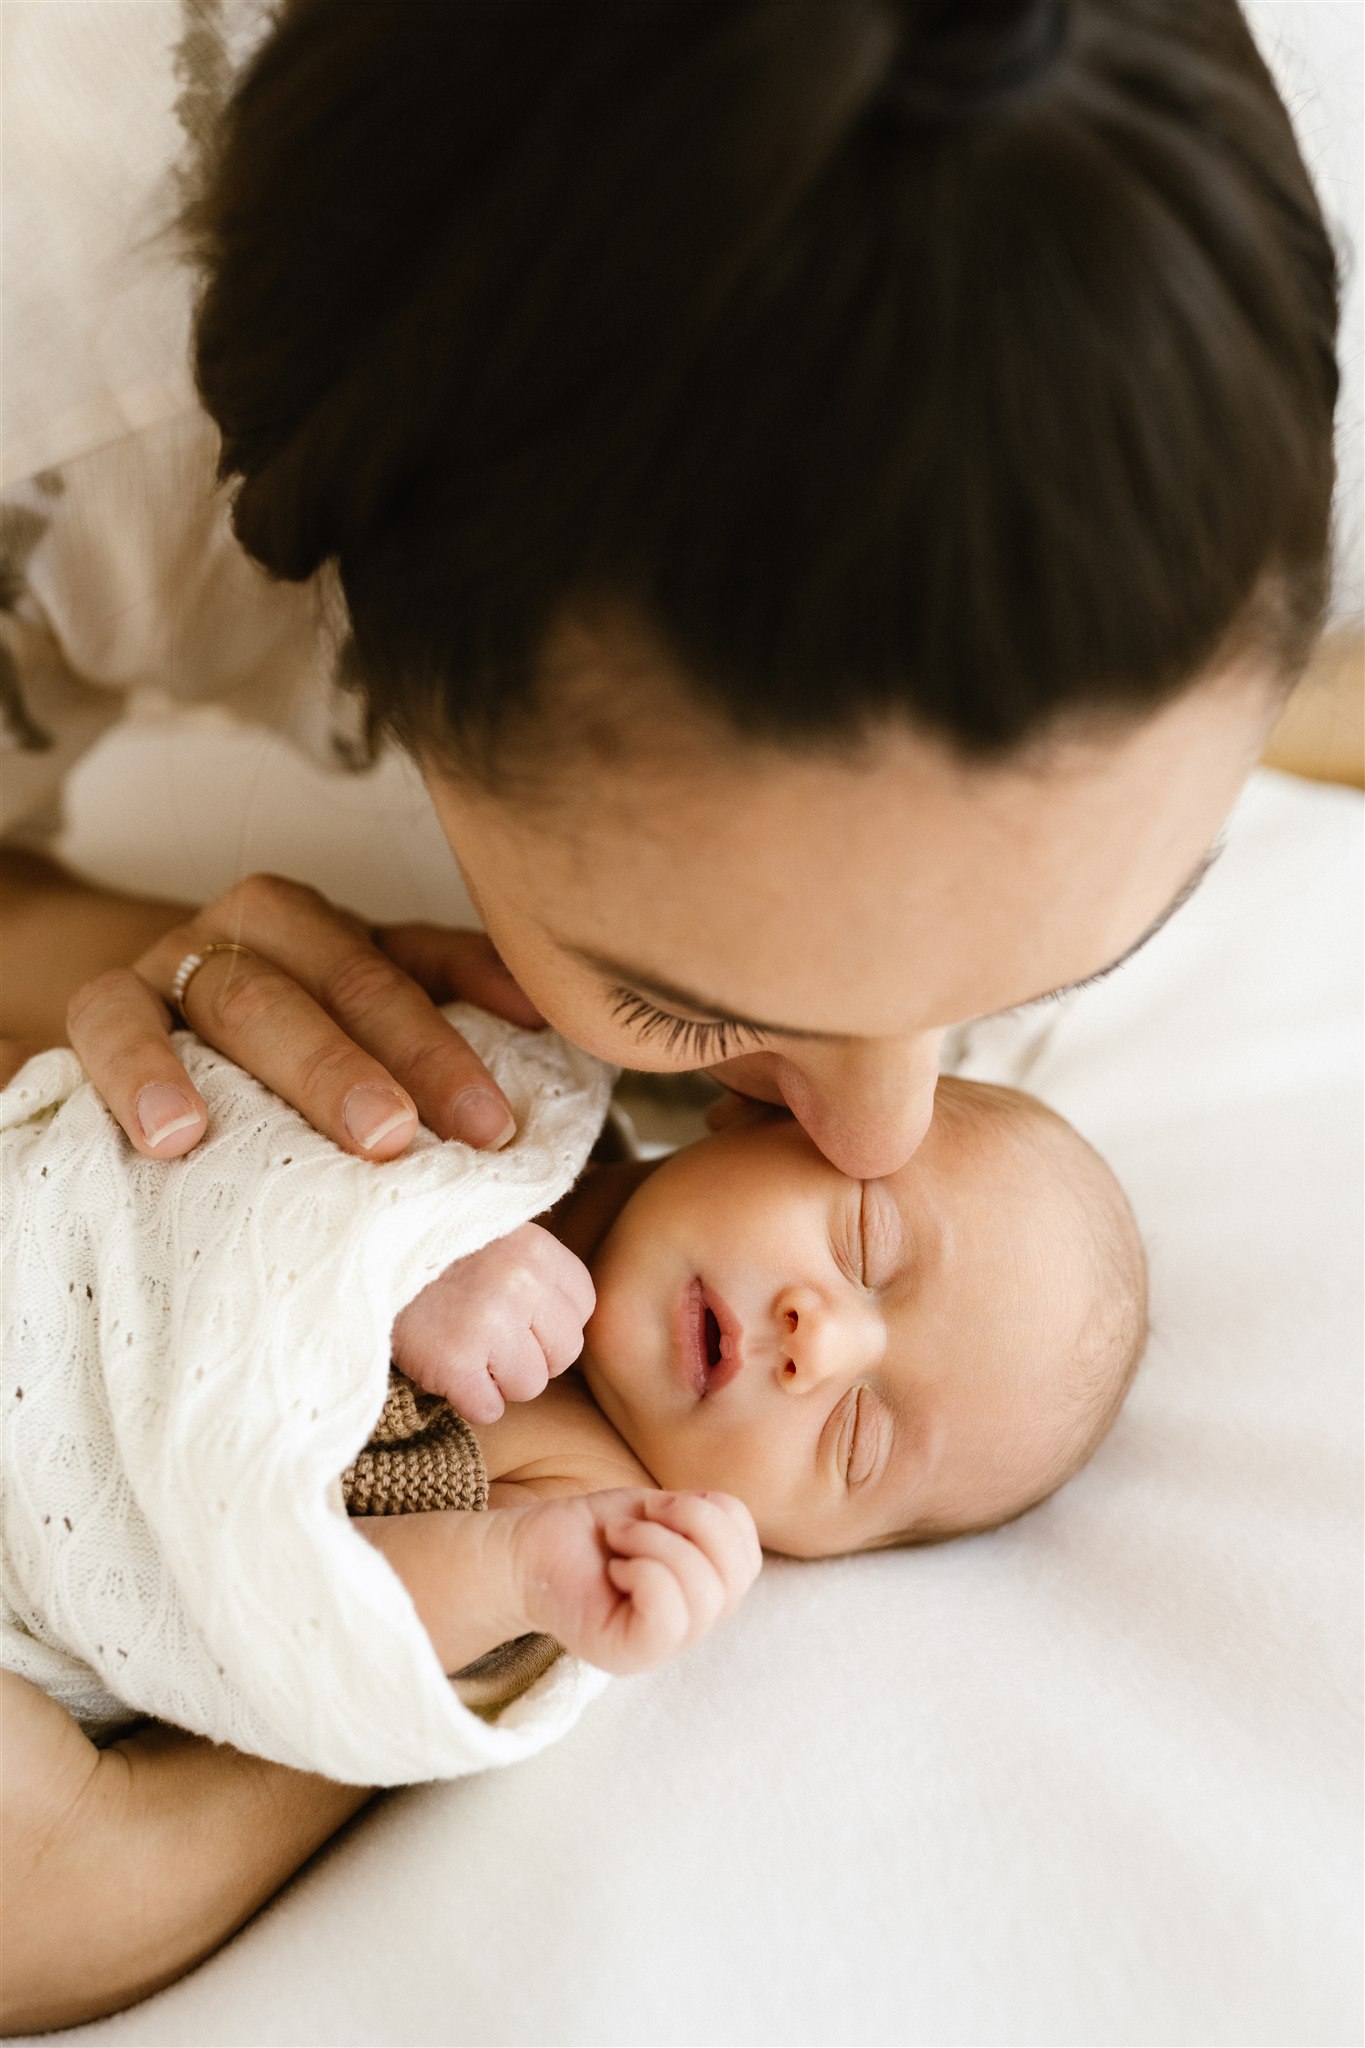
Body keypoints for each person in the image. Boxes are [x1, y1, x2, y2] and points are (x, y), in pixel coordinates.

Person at [0, 0, 1339, 2029]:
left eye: (1039, 969)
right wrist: (130, 965)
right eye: (678, 1002)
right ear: (353, 588)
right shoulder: (67, 391)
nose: (874, 1139)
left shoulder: (1240, 318)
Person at [2, 1005, 1145, 2029]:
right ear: (755, 1118)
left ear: (810, 1543)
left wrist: (522, 1570)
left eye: (858, 1437)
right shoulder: (516, 1094)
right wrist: (394, 1246)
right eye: (865, 1247)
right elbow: (215, 1096)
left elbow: (318, 1616)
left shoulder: (574, 1493)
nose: (821, 1343)